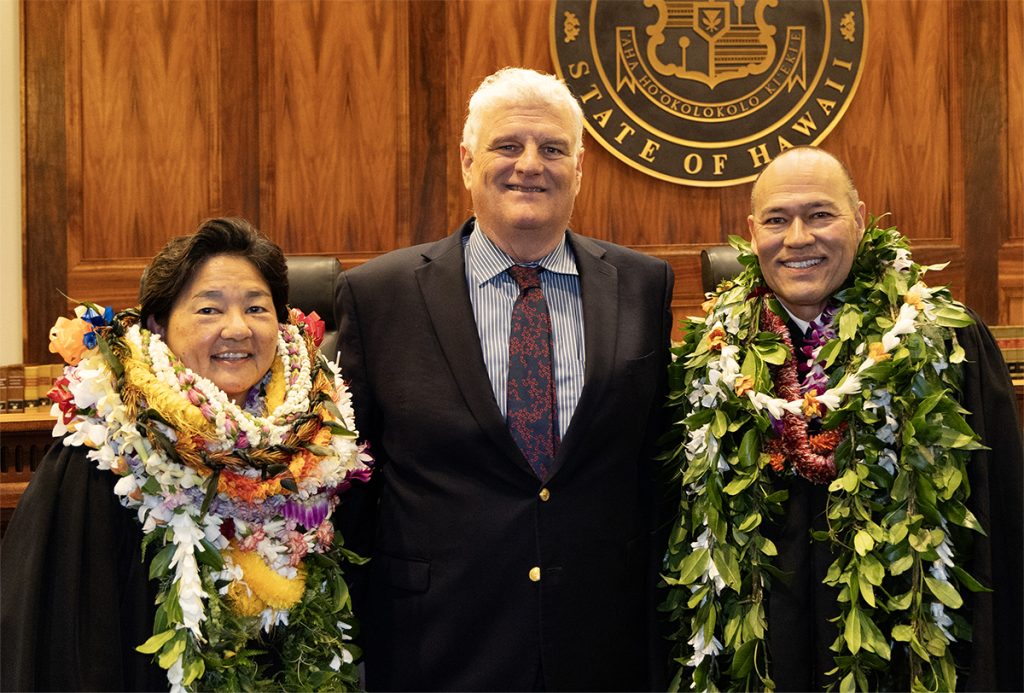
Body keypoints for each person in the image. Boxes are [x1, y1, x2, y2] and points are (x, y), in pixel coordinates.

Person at [335, 67, 675, 691]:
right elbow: (353, 482)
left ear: (580, 168)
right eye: (507, 145)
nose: (530, 165)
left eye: (553, 149)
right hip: (435, 645)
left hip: (602, 643)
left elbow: (654, 468)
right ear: (468, 162)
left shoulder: (642, 285)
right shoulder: (379, 295)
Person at [662, 147, 1023, 691]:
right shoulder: (714, 358)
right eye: (777, 220)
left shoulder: (940, 340)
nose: (798, 238)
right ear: (752, 234)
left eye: (820, 214)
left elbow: (999, 518)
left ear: (859, 220)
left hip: (906, 641)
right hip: (762, 651)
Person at [1, 218, 371, 691]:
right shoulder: (108, 450)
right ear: (158, 324)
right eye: (209, 310)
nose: (237, 328)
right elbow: (71, 647)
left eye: (256, 308)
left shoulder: (317, 448)